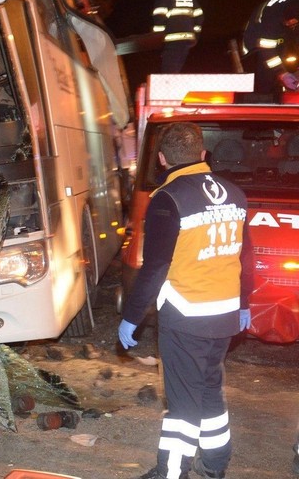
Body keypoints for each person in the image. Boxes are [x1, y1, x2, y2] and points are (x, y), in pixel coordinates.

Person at [118, 122, 253, 479]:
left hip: (186, 316)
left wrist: (132, 314)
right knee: (209, 391)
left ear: (162, 159)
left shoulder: (168, 198)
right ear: (203, 155)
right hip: (223, 317)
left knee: (182, 405)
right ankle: (214, 465)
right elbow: (246, 256)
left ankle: (170, 474)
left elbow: (158, 264)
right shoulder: (235, 193)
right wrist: (244, 305)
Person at [242, 0, 299, 102]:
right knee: (266, 72)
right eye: (288, 22)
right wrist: (282, 74)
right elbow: (267, 51)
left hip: (280, 34)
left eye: (293, 23)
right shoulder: (271, 17)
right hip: (254, 39)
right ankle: (263, 99)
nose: (289, 24)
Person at [152, 0, 204, 74]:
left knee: (168, 71)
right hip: (187, 40)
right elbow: (200, 16)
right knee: (176, 68)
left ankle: (168, 88)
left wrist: (156, 39)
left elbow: (159, 17)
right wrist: (195, 35)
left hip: (172, 40)